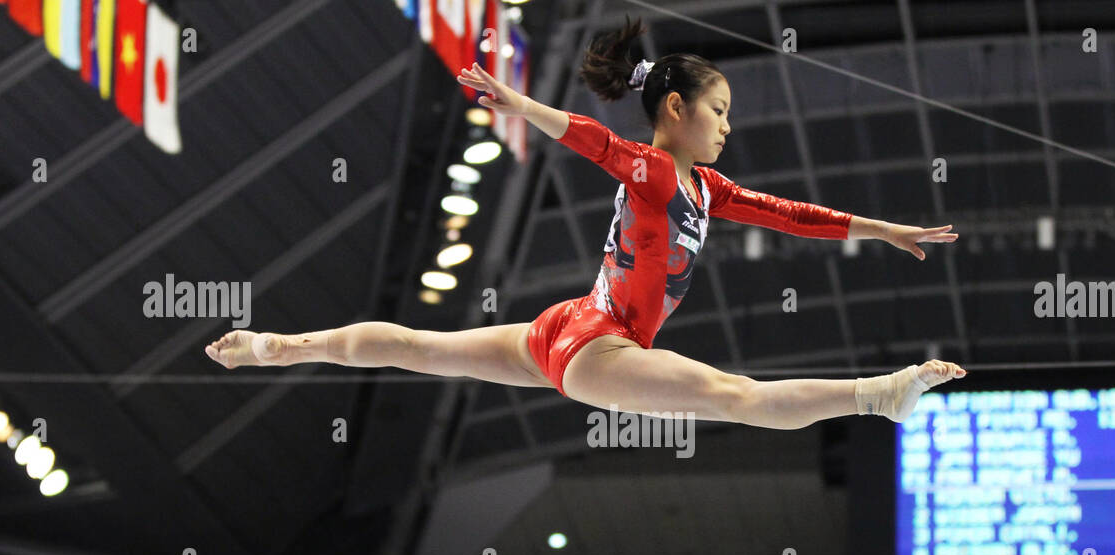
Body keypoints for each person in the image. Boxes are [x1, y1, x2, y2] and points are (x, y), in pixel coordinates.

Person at [205, 16, 965, 428]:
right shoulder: (657, 169)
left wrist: (883, 229)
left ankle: (276, 346)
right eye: (720, 111)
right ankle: (878, 394)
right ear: (677, 109)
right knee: (733, 398)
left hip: (567, 329)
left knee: (418, 348)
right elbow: (598, 143)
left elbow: (795, 215)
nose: (728, 127)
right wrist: (525, 108)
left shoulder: (706, 187)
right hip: (598, 347)